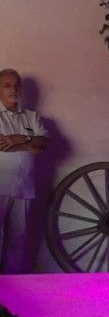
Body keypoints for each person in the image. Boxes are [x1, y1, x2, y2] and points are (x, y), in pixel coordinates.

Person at [0, 68, 49, 274]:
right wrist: (31, 146)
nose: (14, 90)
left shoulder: (31, 116)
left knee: (18, 239)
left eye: (17, 85)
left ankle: (11, 285)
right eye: (7, 86)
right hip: (1, 186)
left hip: (24, 187)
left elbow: (45, 142)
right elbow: (2, 145)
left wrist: (19, 139)